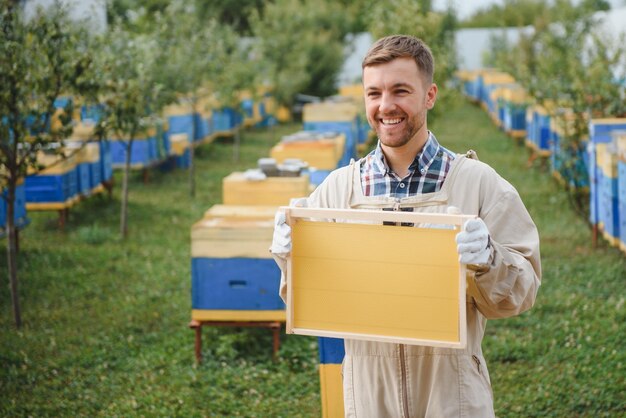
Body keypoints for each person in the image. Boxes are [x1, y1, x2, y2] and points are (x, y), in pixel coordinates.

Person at [271, 34, 541, 417]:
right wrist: (290, 255)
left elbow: (521, 293)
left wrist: (490, 259)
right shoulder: (336, 189)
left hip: (452, 397)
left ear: (429, 95)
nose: (386, 106)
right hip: (369, 396)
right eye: (374, 93)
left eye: (400, 91)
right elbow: (310, 298)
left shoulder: (479, 184)